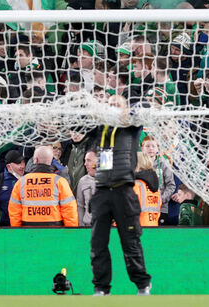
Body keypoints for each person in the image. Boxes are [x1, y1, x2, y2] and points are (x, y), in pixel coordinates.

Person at [87, 95, 151, 296]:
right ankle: (101, 288)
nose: (111, 108)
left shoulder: (131, 127)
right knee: (97, 243)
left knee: (130, 241)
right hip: (102, 190)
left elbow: (144, 105)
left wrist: (127, 112)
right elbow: (80, 123)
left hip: (124, 190)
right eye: (109, 104)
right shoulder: (100, 129)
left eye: (116, 104)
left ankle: (142, 285)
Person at [8, 145, 78, 228]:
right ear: (51, 161)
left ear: (35, 160)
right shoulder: (60, 182)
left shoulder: (21, 182)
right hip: (55, 231)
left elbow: (14, 211)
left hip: (28, 231)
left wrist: (18, 231)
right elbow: (69, 210)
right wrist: (71, 232)